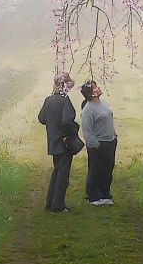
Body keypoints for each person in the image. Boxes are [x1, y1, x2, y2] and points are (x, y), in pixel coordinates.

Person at [37, 72, 80, 213]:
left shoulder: (48, 100)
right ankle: (58, 205)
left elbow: (42, 118)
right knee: (62, 174)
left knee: (57, 171)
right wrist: (72, 130)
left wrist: (52, 124)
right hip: (64, 143)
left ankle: (50, 202)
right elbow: (68, 121)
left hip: (53, 141)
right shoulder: (64, 101)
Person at [79, 79, 117, 206]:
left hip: (110, 142)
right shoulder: (88, 109)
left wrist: (114, 136)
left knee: (107, 170)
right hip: (98, 144)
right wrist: (95, 145)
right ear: (91, 93)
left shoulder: (103, 103)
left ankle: (105, 194)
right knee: (96, 170)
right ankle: (93, 196)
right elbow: (87, 130)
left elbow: (109, 119)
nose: (98, 88)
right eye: (95, 87)